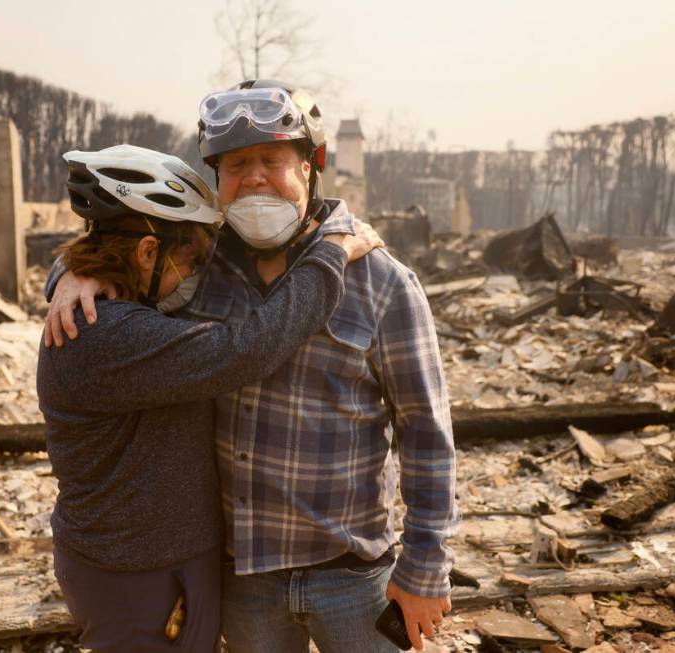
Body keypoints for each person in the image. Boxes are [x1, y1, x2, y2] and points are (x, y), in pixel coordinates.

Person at [45, 82, 460, 653]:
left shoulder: (382, 282)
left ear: (311, 166)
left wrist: (425, 566)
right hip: (245, 582)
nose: (254, 178)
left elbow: (427, 435)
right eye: (236, 165)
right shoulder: (199, 272)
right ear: (217, 181)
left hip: (352, 576)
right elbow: (127, 276)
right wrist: (76, 275)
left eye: (272, 160)